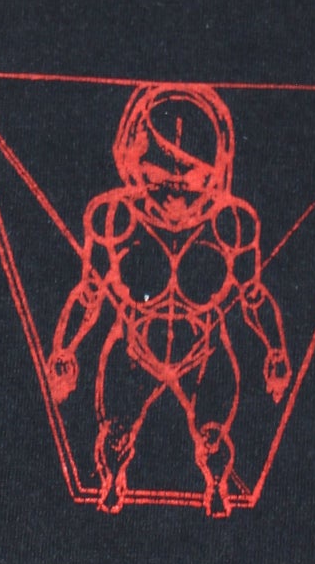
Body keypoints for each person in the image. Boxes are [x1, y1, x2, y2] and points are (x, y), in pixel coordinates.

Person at [48, 83, 290, 516]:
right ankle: (112, 480)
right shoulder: (113, 218)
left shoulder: (233, 223)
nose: (176, 196)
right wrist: (66, 349)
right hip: (133, 351)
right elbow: (88, 295)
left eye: (189, 180)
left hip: (204, 353)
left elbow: (253, 298)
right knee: (115, 433)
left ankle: (216, 486)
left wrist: (275, 349)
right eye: (162, 179)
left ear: (213, 171)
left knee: (213, 437)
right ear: (134, 163)